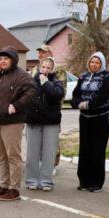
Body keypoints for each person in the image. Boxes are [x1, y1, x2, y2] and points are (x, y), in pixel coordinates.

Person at [0, 46, 36, 202]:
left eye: (6, 58)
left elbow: (31, 92)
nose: (2, 61)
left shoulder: (21, 75)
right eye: (0, 59)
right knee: (1, 156)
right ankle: (4, 185)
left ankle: (14, 189)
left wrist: (16, 105)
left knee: (13, 156)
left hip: (12, 122)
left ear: (13, 60)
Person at [71, 52, 109, 192]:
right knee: (85, 148)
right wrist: (77, 103)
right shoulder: (83, 76)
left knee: (98, 149)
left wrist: (88, 105)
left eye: (97, 62)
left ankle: (96, 182)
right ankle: (84, 180)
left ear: (101, 64)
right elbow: (76, 94)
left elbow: (103, 96)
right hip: (84, 118)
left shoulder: (106, 78)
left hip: (100, 118)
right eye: (92, 62)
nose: (94, 65)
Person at [25, 57, 65, 191]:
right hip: (33, 121)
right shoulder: (31, 81)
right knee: (32, 153)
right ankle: (31, 180)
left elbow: (57, 95)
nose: (45, 70)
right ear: (39, 67)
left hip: (50, 122)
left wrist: (46, 83)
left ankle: (46, 181)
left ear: (52, 69)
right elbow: (25, 97)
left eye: (48, 68)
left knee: (49, 152)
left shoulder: (56, 82)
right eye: (43, 67)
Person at [32, 44, 68, 175]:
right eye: (39, 52)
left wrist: (57, 107)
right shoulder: (36, 68)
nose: (40, 54)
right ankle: (40, 162)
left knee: (52, 140)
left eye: (43, 52)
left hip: (51, 109)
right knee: (38, 139)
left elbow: (61, 89)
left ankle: (52, 163)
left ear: (49, 53)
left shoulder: (58, 68)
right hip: (37, 110)